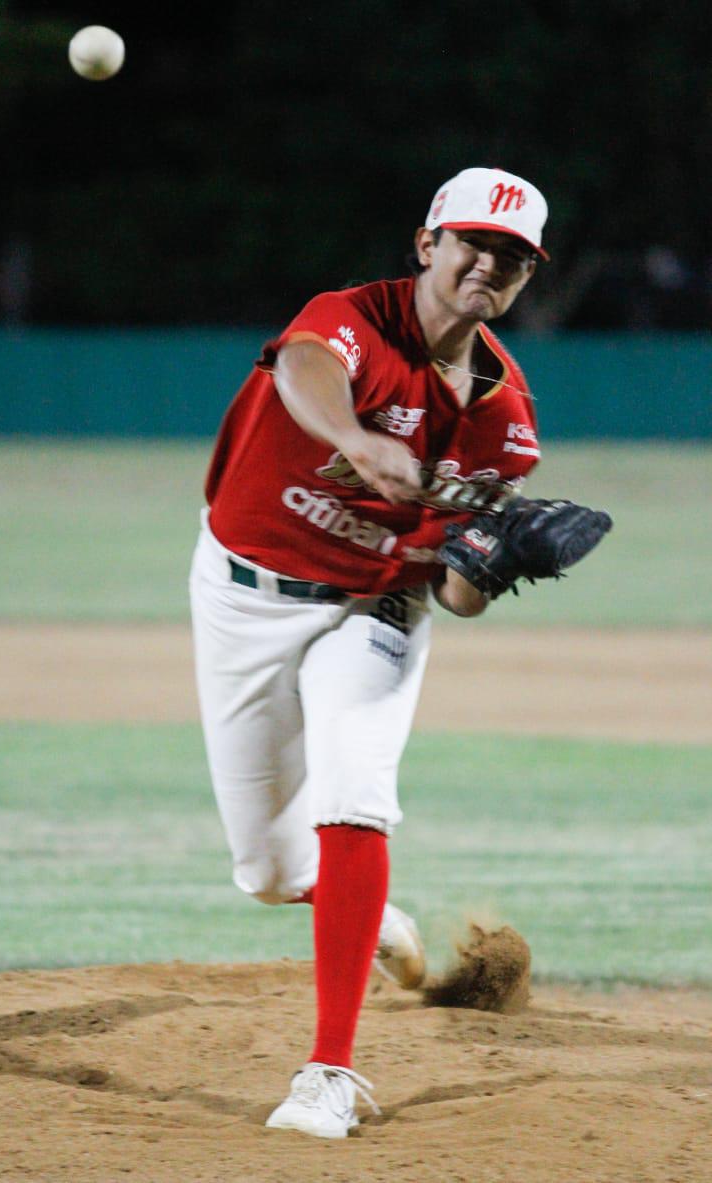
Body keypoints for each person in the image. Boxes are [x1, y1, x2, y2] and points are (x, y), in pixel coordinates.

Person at [189, 166, 548, 1138]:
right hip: (245, 594)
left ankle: (330, 1072)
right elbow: (302, 366)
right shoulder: (352, 320)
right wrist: (357, 437)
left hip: (375, 603)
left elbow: (457, 595)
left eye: (512, 257)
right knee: (269, 872)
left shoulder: (504, 422)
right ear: (427, 243)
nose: (488, 265)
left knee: (354, 790)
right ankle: (366, 913)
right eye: (472, 242)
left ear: (526, 277)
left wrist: (499, 557)